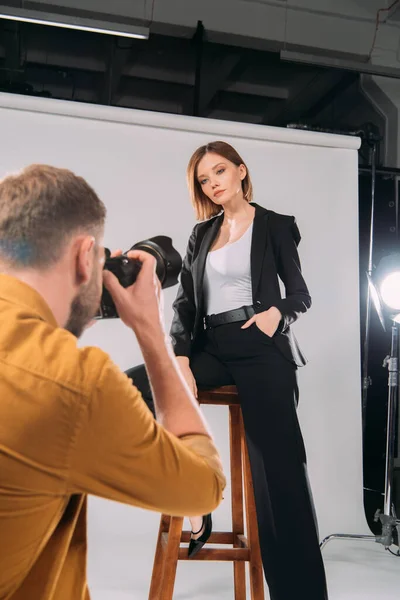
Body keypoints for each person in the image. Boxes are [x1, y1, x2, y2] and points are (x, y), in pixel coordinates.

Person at [0, 164, 226, 600]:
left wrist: (74, 310)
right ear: (86, 256)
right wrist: (151, 332)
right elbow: (203, 490)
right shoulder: (74, 383)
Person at [127, 141, 328, 600]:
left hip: (260, 345)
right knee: (130, 390)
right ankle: (194, 504)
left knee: (279, 477)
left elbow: (300, 293)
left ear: (241, 171)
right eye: (204, 179)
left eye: (220, 171)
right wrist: (178, 355)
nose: (213, 182)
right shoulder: (202, 233)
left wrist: (279, 313)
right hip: (211, 345)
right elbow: (184, 304)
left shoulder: (276, 225)